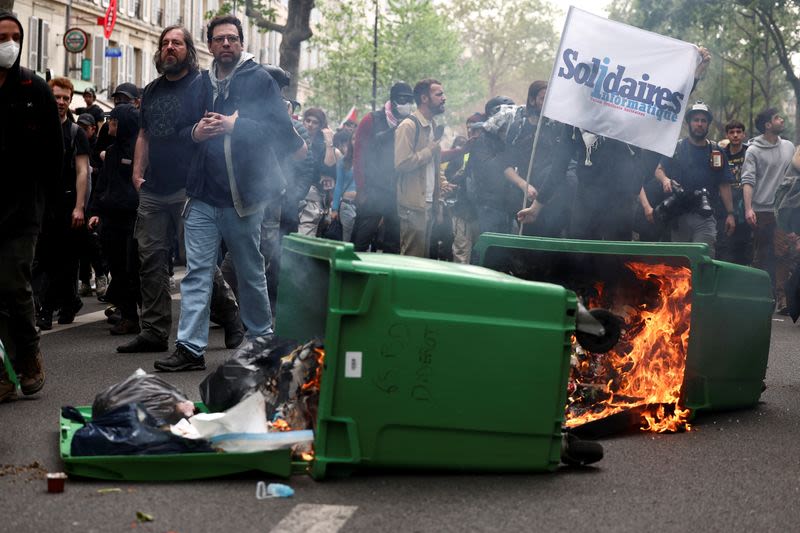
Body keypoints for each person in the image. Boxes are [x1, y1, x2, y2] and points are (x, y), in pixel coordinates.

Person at [154, 15, 304, 372]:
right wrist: (195, 133)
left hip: (244, 197)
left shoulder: (260, 80)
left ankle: (261, 341)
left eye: (232, 39)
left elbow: (282, 133)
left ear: (241, 43)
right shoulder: (198, 85)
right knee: (196, 273)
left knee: (251, 271)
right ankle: (190, 348)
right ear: (209, 45)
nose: (225, 44)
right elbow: (177, 132)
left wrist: (237, 125)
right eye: (219, 39)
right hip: (202, 195)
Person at [121, 24, 243, 354]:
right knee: (151, 260)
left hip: (192, 187)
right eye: (165, 44)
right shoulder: (152, 90)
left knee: (198, 263)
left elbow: (215, 127)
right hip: (153, 188)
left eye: (177, 43)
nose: (170, 48)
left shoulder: (203, 85)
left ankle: (230, 315)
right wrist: (137, 172)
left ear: (188, 49)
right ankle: (155, 330)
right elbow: (144, 134)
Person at [0, 12, 63, 401]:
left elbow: (54, 155)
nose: (8, 42)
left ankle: (29, 354)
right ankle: (5, 374)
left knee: (12, 284)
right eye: (1, 36)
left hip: (23, 211)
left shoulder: (34, 89)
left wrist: (49, 206)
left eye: (13, 36)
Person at [646, 101, 735, 257]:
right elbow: (658, 170)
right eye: (696, 120)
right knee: (681, 262)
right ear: (689, 123)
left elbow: (724, 184)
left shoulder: (716, 151)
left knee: (703, 259)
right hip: (679, 215)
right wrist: (665, 180)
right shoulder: (677, 148)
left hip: (706, 216)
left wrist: (730, 214)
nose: (699, 124)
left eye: (703, 121)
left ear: (708, 125)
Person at [35, 77, 90, 330]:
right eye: (56, 96)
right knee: (45, 257)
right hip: (40, 202)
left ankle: (58, 305)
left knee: (65, 258)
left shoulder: (76, 132)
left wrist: (79, 206)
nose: (61, 102)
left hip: (66, 201)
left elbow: (82, 171)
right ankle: (55, 306)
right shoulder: (37, 127)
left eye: (65, 98)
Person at [87, 103, 142, 335]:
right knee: (118, 268)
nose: (110, 124)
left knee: (132, 270)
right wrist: (94, 212)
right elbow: (101, 187)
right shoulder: (111, 152)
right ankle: (128, 316)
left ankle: (143, 317)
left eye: (114, 121)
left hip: (132, 219)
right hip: (110, 220)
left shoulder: (138, 151)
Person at [742, 108, 797, 312]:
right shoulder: (753, 150)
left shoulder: (789, 146)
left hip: (784, 209)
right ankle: (757, 296)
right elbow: (747, 180)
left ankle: (783, 300)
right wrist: (748, 209)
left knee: (784, 252)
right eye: (777, 118)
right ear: (767, 125)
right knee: (761, 256)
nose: (781, 120)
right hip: (761, 209)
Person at [350, 81, 415, 253]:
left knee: (393, 244)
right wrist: (361, 190)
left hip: (397, 193)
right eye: (402, 99)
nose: (406, 104)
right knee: (360, 241)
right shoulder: (371, 120)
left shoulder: (410, 124)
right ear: (392, 100)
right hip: (373, 192)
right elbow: (359, 157)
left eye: (410, 100)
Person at [395, 78, 454, 258]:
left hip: (429, 203)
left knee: (423, 259)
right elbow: (401, 163)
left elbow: (434, 165)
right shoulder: (408, 126)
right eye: (439, 94)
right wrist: (429, 151)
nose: (444, 98)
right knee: (412, 259)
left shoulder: (433, 126)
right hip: (412, 206)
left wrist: (442, 182)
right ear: (424, 98)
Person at [716, 120, 753, 265]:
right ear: (727, 135)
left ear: (744, 134)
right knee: (724, 244)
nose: (735, 135)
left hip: (745, 204)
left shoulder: (749, 152)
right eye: (732, 132)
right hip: (724, 205)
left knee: (744, 245)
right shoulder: (721, 154)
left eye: (739, 132)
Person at [297, 107, 336, 237]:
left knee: (305, 234)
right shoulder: (296, 135)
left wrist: (329, 142)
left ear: (320, 125)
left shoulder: (323, 144)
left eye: (315, 122)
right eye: (308, 120)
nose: (310, 125)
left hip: (313, 195)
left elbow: (329, 167)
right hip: (292, 191)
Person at [331, 129, 357, 242]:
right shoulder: (344, 161)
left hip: (364, 207)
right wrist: (334, 209)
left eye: (358, 138)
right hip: (347, 206)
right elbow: (339, 185)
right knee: (347, 241)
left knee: (361, 242)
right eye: (353, 138)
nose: (356, 141)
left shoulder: (369, 161)